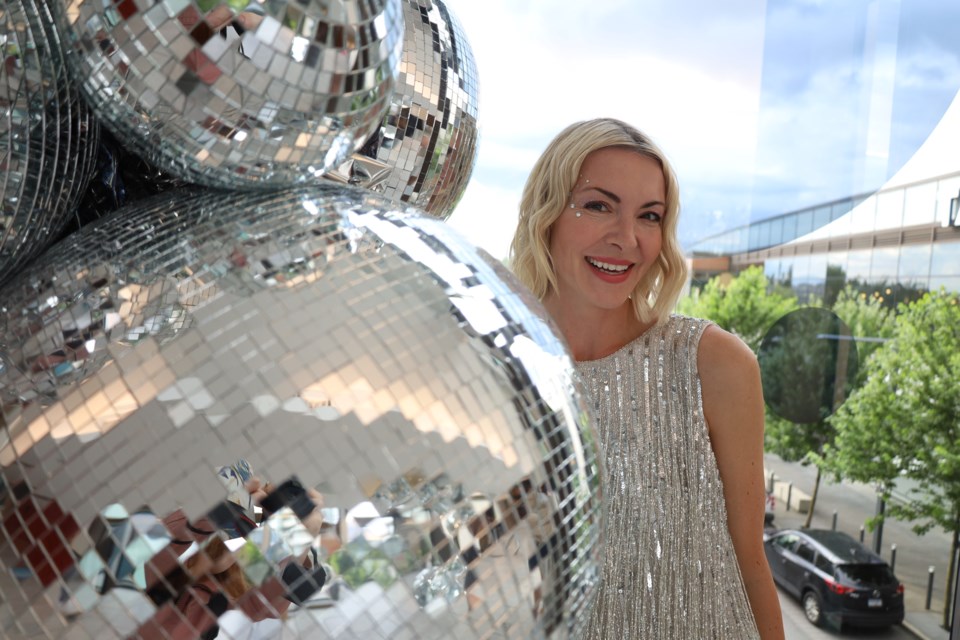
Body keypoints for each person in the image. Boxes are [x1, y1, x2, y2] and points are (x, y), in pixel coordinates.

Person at [509, 118, 785, 639]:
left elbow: (751, 561)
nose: (627, 238)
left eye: (649, 216)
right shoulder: (495, 366)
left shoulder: (714, 364)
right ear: (546, 215)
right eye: (598, 205)